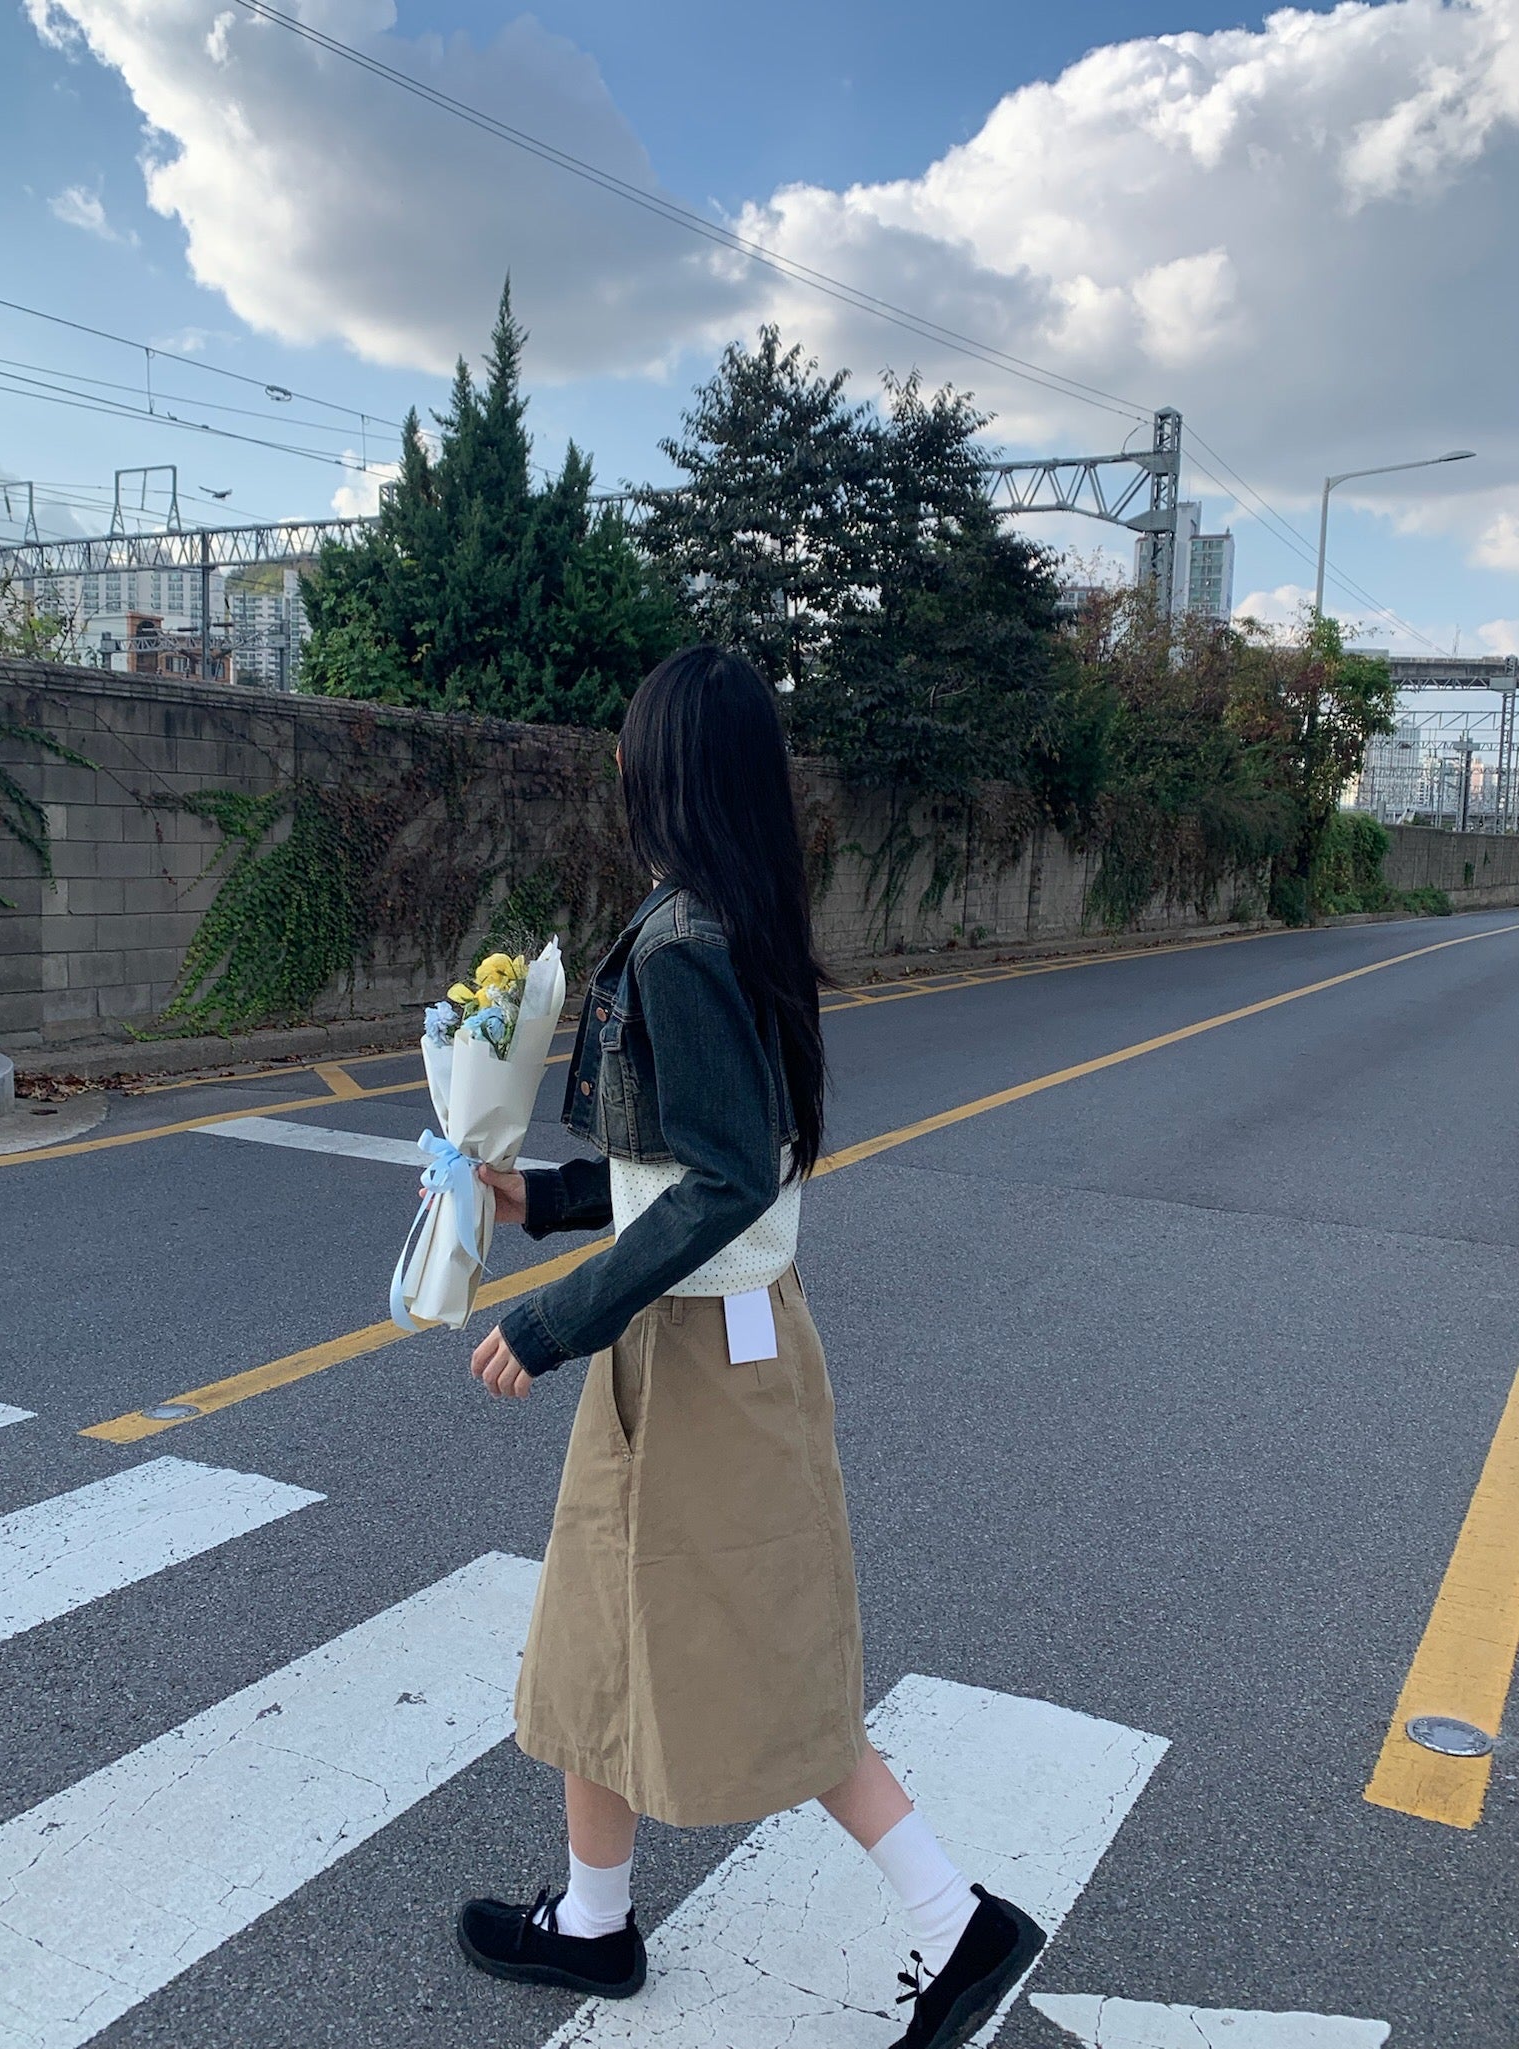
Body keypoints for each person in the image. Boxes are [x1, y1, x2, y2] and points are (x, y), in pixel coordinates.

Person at [455, 645, 1044, 2048]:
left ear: (660, 773)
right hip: (692, 1342)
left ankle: (959, 1920)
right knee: (588, 1637)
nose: (612, 765)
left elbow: (724, 1184)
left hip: (707, 1357)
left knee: (768, 1662)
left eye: (626, 746)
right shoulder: (723, 919)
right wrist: (536, 1196)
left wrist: (548, 1318)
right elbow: (700, 1161)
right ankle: (594, 1925)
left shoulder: (685, 941)